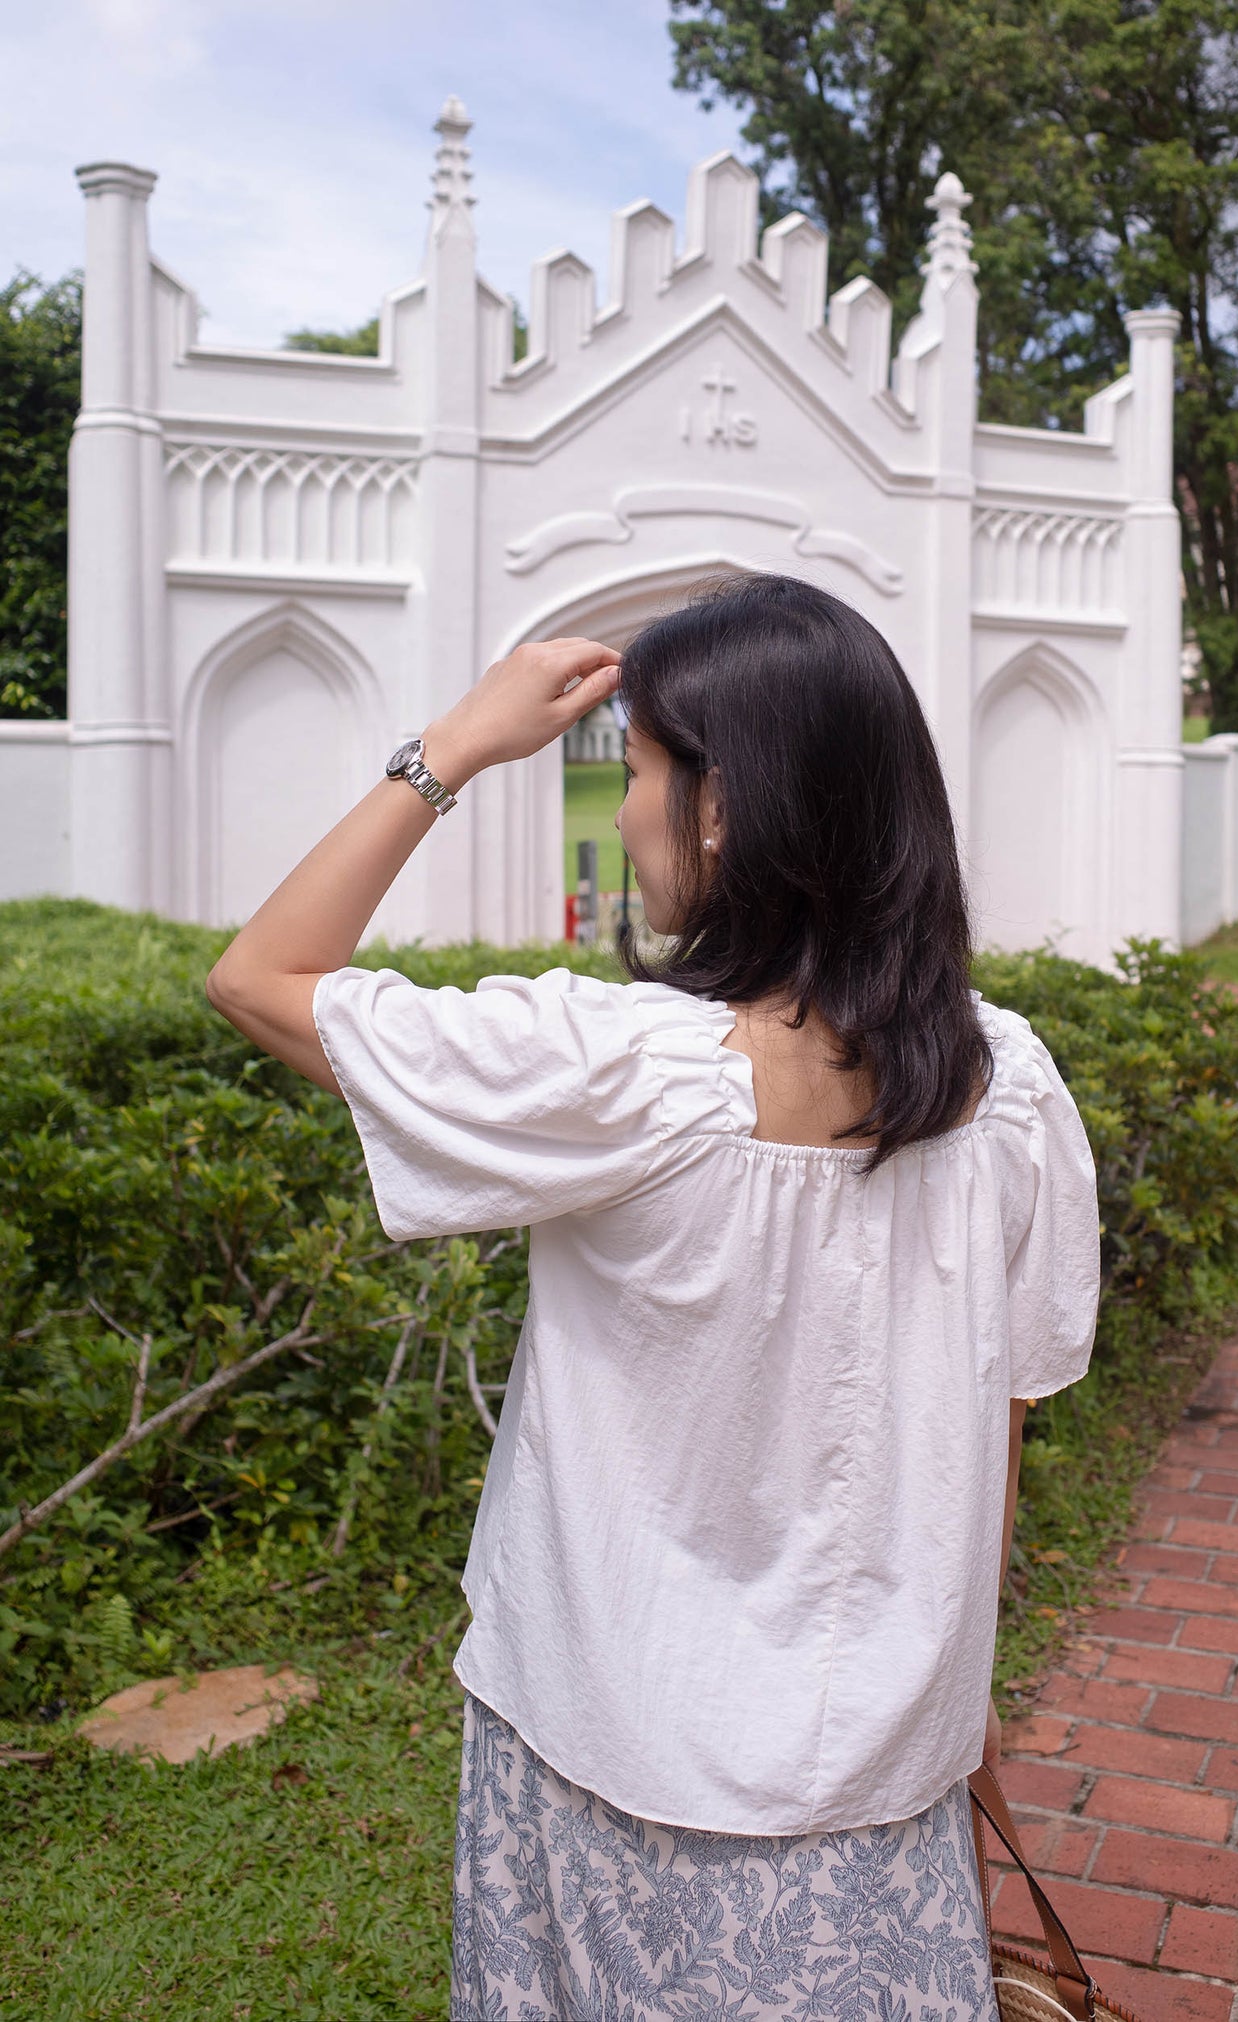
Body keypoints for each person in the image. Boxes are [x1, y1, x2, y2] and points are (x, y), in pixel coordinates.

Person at [207, 573, 1100, 2022]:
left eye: (633, 768)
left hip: (599, 1739)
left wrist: (455, 745)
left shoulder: (618, 1072)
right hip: (875, 1772)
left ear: (724, 805)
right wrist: (960, 1700)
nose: (620, 811)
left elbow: (262, 976)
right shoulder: (1008, 1092)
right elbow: (997, 1432)